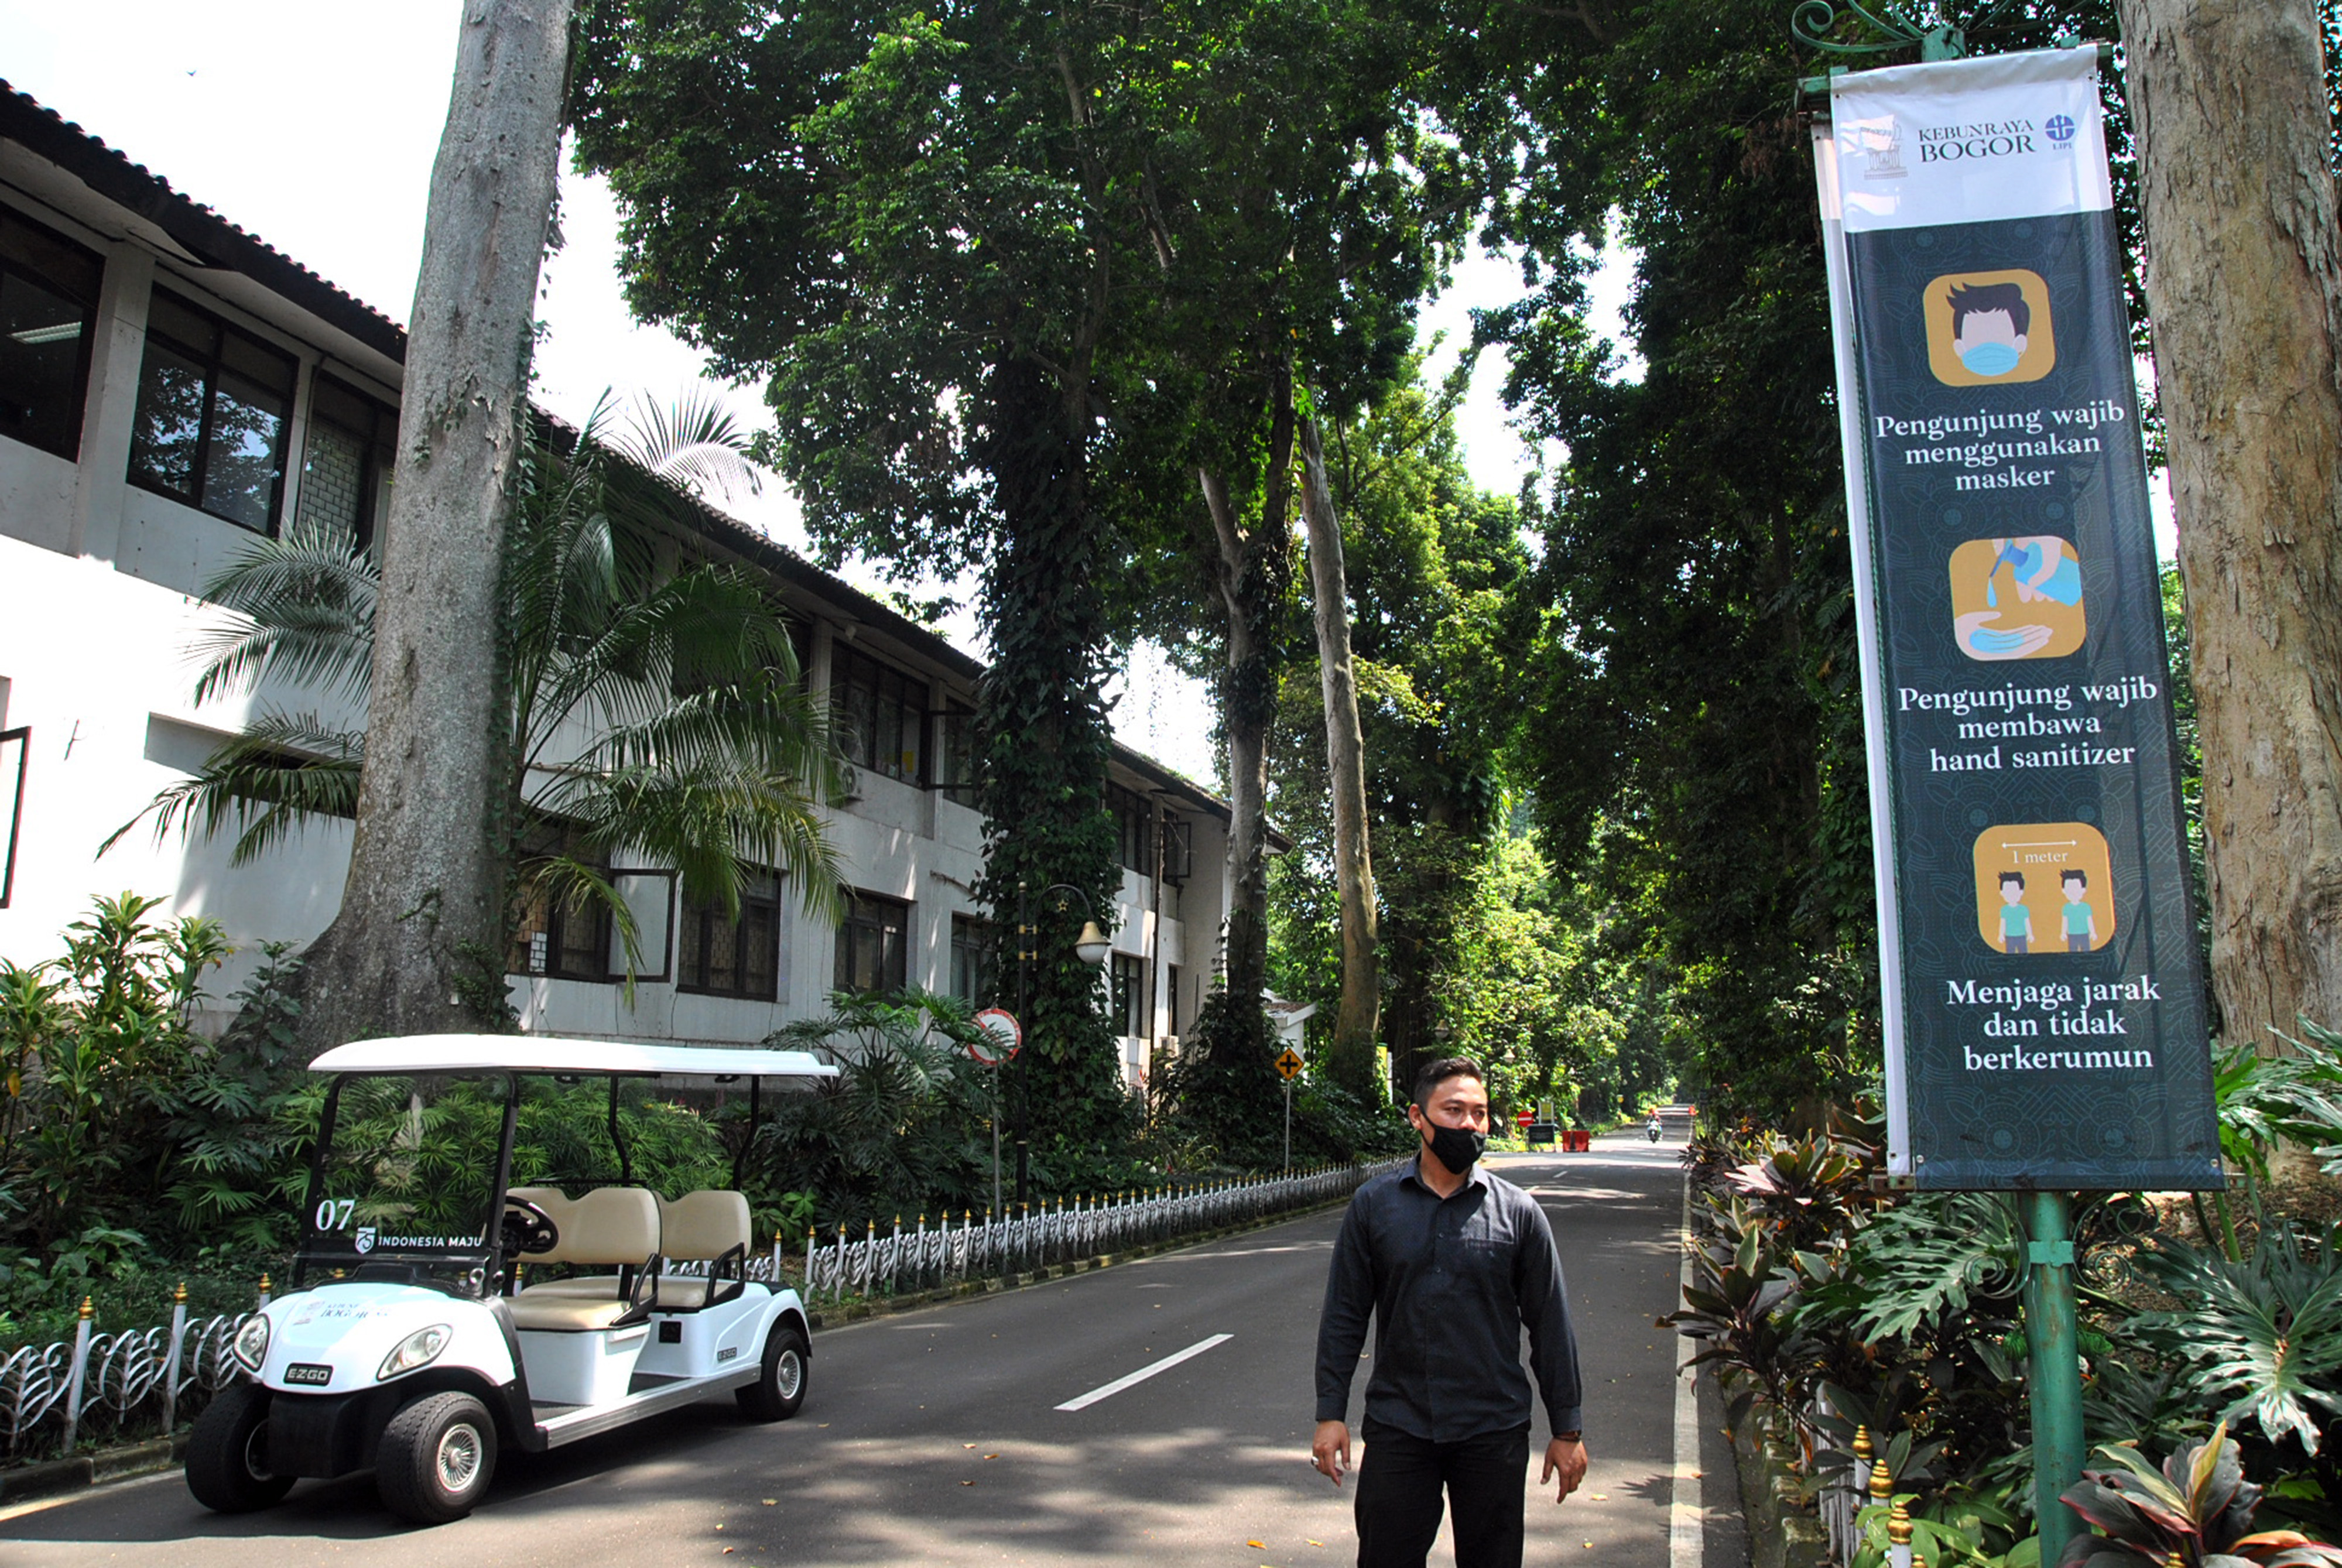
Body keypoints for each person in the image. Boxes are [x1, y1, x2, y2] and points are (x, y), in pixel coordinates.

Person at [1312, 1057, 1588, 1568]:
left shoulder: (1519, 1214)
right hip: (1400, 1426)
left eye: (1479, 1113)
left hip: (1492, 1431)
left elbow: (1551, 1324)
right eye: (1454, 1111)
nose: (1469, 1125)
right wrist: (1331, 1413)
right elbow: (1344, 1316)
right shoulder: (1374, 1206)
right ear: (1418, 1117)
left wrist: (1567, 1429)